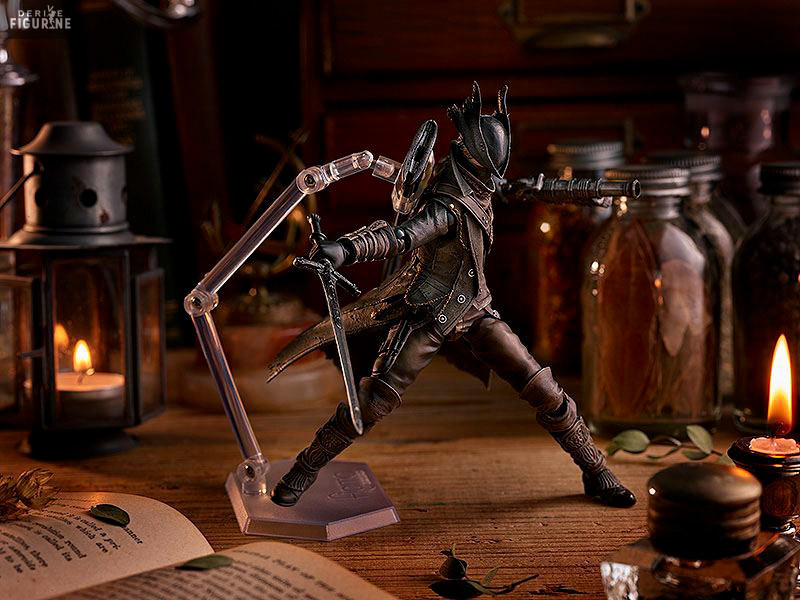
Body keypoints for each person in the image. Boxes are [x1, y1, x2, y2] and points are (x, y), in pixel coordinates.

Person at [266, 82, 636, 509]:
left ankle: (597, 470)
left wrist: (588, 191)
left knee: (546, 390)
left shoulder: (480, 183)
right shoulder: (445, 203)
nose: (494, 180)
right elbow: (402, 237)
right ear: (471, 157)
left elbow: (523, 188)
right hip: (428, 312)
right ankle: (304, 469)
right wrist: (346, 250)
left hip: (475, 309)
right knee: (371, 402)